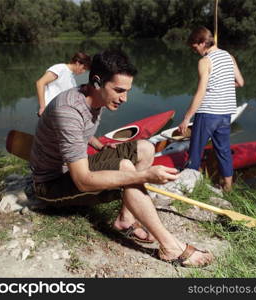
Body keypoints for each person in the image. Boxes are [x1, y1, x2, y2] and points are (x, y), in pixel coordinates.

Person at [30, 49, 214, 267]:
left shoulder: (92, 98)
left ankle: (125, 219)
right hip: (51, 184)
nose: (124, 98)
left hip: (71, 169)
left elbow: (84, 132)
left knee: (145, 148)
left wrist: (103, 148)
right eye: (118, 90)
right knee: (126, 168)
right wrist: (145, 175)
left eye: (127, 91)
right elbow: (82, 180)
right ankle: (171, 247)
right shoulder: (69, 111)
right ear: (97, 82)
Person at [178, 27, 244, 192]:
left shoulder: (205, 61)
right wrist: (222, 86)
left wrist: (186, 118)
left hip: (208, 113)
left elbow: (201, 92)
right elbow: (240, 82)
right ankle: (228, 188)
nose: (195, 51)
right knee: (223, 151)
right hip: (226, 113)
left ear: (202, 42)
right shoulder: (229, 57)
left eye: (195, 47)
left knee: (195, 150)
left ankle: (191, 187)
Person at [36, 51, 91, 116]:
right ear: (77, 63)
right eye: (84, 68)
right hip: (49, 111)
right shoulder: (60, 68)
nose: (83, 71)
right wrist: (42, 107)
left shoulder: (73, 80)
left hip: (60, 114)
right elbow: (40, 83)